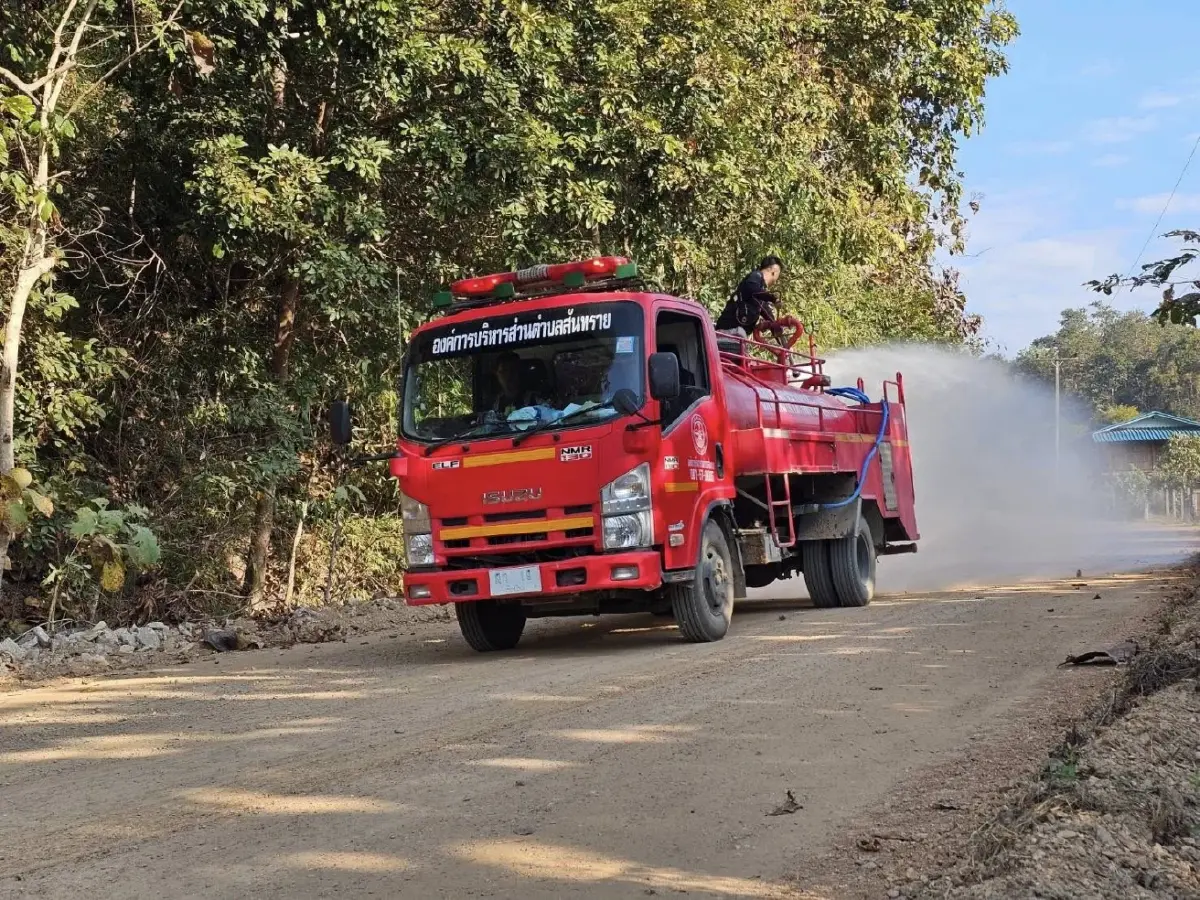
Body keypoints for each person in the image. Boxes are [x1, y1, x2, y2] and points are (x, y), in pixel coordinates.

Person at [715, 255, 784, 338]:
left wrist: (775, 327)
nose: (776, 281)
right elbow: (753, 289)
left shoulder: (761, 292)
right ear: (774, 272)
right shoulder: (756, 276)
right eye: (778, 276)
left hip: (736, 335)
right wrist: (774, 299)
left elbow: (766, 311)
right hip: (728, 331)